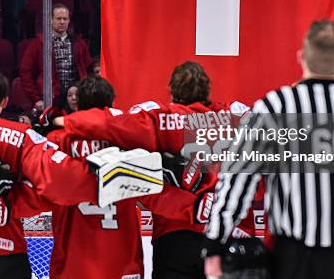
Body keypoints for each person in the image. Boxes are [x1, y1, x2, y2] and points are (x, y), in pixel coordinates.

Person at [0, 68, 163, 279]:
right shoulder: (21, 136)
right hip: (3, 252)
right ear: (5, 102)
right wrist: (4, 205)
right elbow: (59, 180)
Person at [203, 20, 334, 279]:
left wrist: (215, 245)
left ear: (301, 57)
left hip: (292, 255)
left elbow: (237, 180)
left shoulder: (274, 106)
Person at [57, 61, 254, 279]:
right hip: (225, 234)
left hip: (173, 236)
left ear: (171, 90)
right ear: (207, 88)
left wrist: (62, 121)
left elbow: (108, 123)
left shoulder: (159, 119)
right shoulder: (233, 115)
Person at [30, 75, 206, 279]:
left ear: (78, 103)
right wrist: (193, 208)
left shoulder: (57, 141)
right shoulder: (128, 142)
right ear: (111, 103)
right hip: (123, 261)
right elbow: (154, 195)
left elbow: (41, 188)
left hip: (73, 261)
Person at [20, 3, 92, 111]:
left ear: (69, 21)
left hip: (76, 99)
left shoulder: (80, 43)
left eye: (65, 19)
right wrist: (36, 99)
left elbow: (89, 70)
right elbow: (26, 74)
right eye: (58, 18)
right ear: (51, 20)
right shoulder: (38, 44)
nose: (62, 22)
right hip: (50, 100)